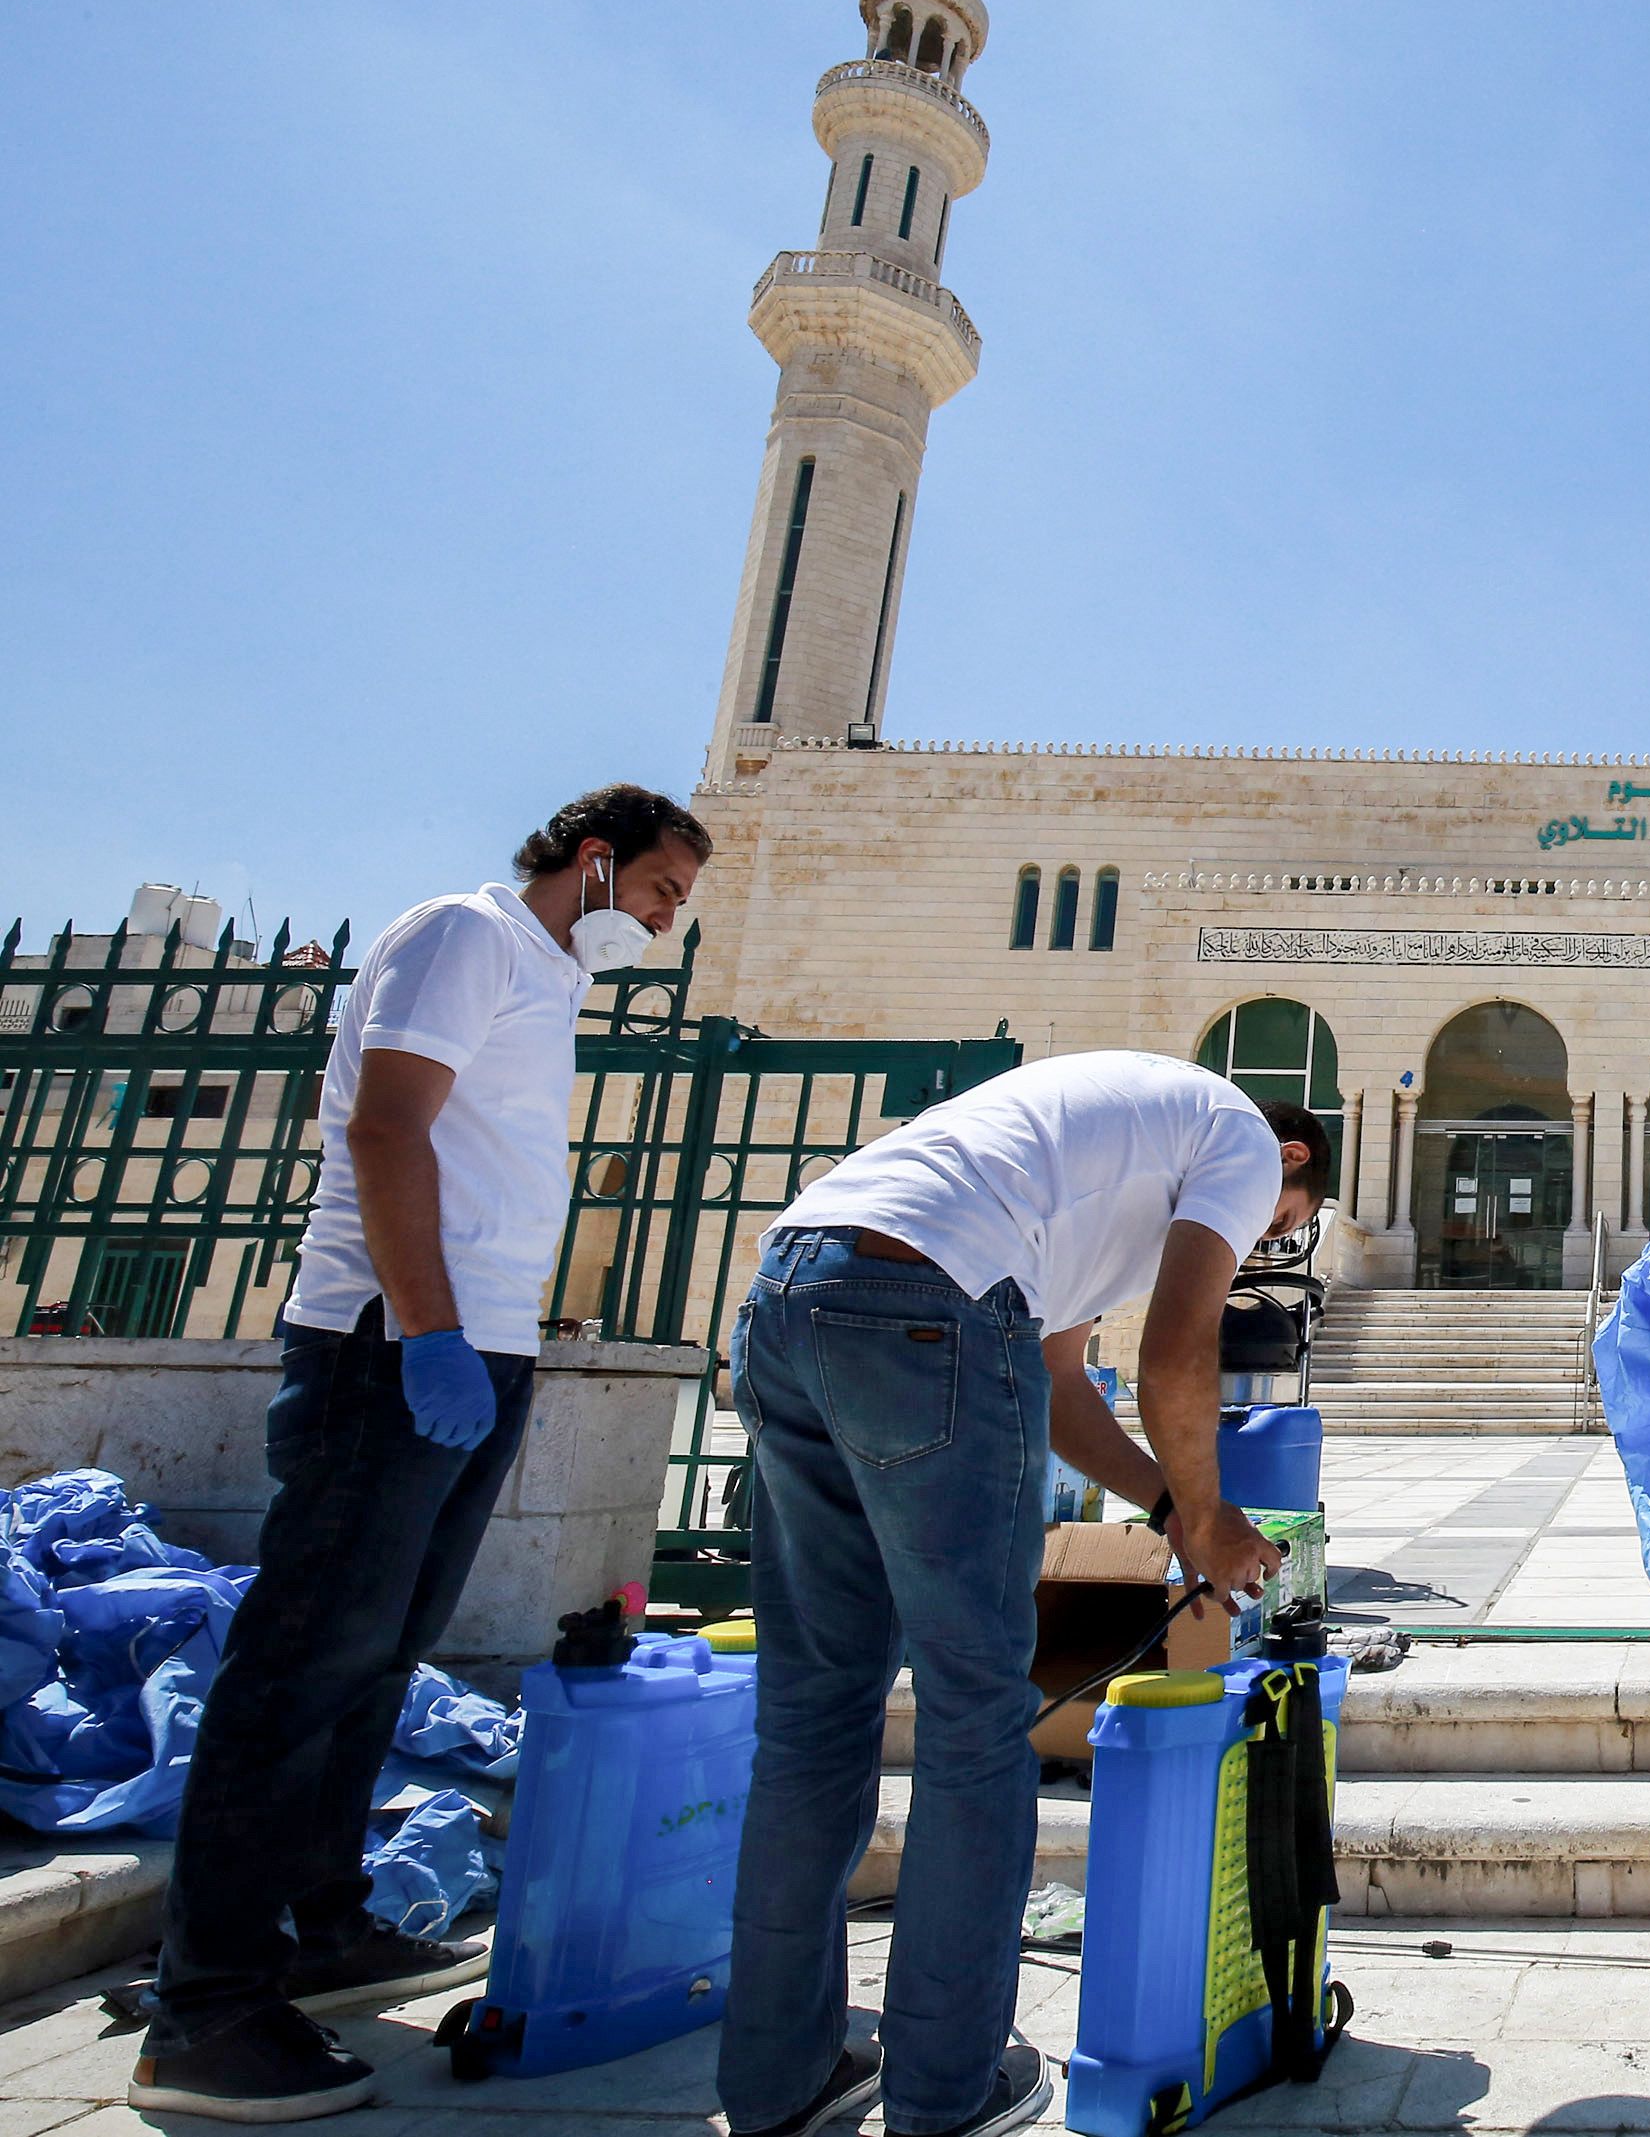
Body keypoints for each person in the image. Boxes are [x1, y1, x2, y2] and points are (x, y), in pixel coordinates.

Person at [131, 786, 710, 2121]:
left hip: (480, 1352)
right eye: (665, 894)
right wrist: (430, 1330)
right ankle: (203, 2008)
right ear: (597, 856)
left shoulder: (548, 979)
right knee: (301, 1659)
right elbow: (387, 1128)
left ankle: (320, 1925)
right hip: (389, 1347)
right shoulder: (467, 933)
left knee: (382, 1653)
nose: (667, 925)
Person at [716, 1053, 1330, 2137]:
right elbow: (1176, 1352)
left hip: (788, 1294)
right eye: (1279, 1225)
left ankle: (776, 2079)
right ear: (1291, 1159)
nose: (1260, 1246)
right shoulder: (1236, 1138)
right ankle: (943, 2089)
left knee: (813, 1709)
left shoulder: (1082, 1166)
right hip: (923, 1306)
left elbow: (1054, 1384)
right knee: (972, 1715)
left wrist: (1171, 1507)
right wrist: (1214, 1506)